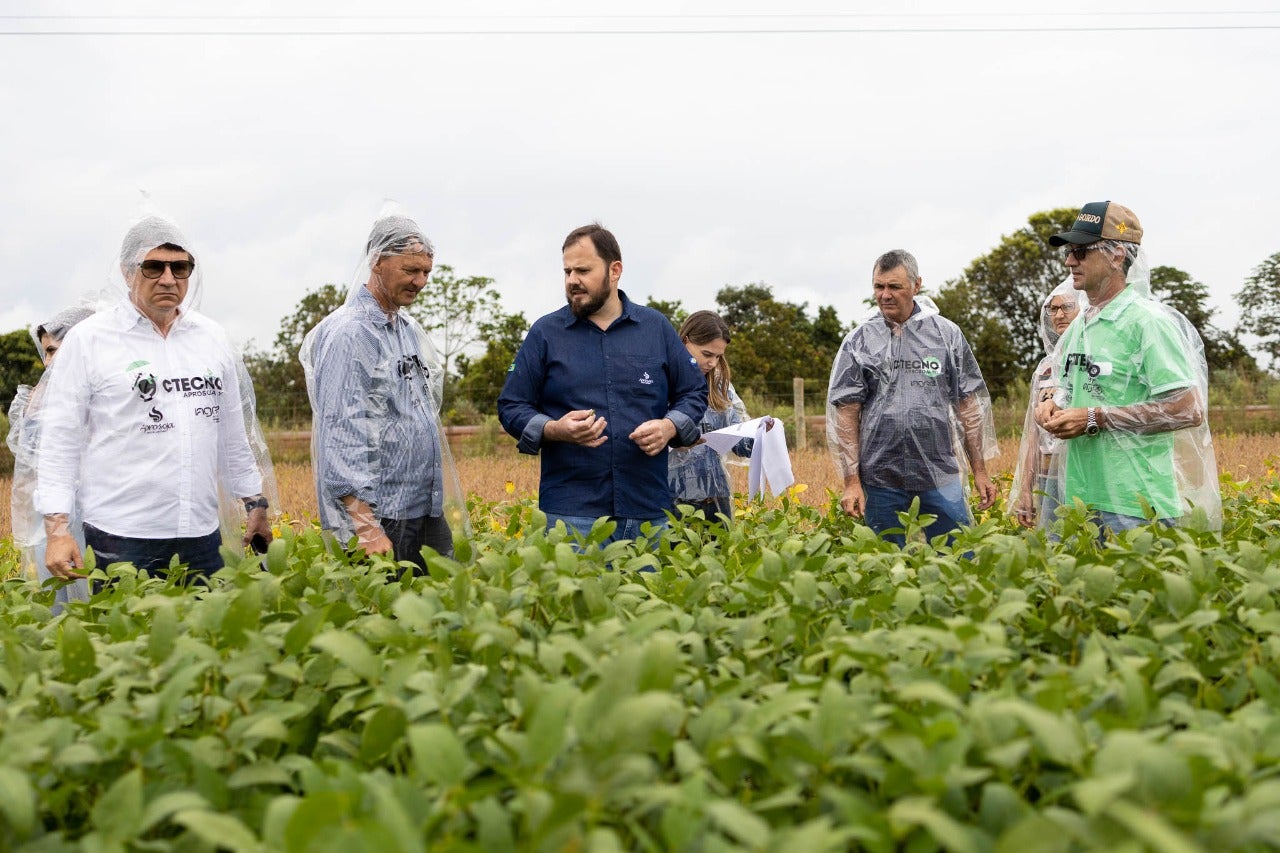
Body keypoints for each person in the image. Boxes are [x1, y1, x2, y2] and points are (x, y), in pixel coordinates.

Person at [37, 215, 274, 583]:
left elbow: (231, 436)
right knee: (128, 637)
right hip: (121, 537)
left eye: (180, 267)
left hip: (200, 534)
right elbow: (59, 441)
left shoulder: (211, 338)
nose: (168, 278)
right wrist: (57, 529)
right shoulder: (90, 341)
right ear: (128, 271)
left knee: (203, 636)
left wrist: (254, 503)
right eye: (154, 266)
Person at [497, 223, 707, 544]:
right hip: (571, 514)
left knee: (650, 595)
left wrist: (670, 427)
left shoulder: (655, 328)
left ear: (615, 270)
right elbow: (511, 405)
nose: (572, 280)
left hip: (647, 511)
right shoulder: (546, 333)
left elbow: (693, 392)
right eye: (567, 271)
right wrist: (555, 429)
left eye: (583, 270)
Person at [1036, 201, 1221, 535]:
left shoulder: (1147, 323)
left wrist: (1096, 417)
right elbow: (1070, 390)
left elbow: (1188, 409)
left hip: (1135, 505)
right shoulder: (1080, 326)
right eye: (1068, 252)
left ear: (1117, 255)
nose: (1069, 261)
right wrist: (1052, 406)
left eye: (1080, 251)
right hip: (1080, 500)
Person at [300, 212, 463, 572]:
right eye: (410, 270)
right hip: (381, 517)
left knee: (439, 610)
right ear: (377, 262)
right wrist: (365, 525)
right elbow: (342, 430)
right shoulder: (351, 333)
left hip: (421, 508)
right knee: (385, 618)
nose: (420, 282)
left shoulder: (405, 329)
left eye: (426, 272)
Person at [827, 249, 998, 546]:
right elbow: (846, 413)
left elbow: (968, 406)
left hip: (939, 474)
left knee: (957, 556)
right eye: (879, 287)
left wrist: (979, 471)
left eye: (895, 287)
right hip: (880, 478)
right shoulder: (859, 340)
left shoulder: (946, 335)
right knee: (884, 566)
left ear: (917, 285)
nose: (885, 295)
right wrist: (851, 481)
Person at [7, 305, 95, 610]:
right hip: (53, 522)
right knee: (58, 607)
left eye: (58, 350)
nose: (50, 362)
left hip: (99, 521)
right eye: (47, 352)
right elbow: (30, 463)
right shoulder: (40, 400)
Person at [1010, 280, 1086, 530]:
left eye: (1066, 307)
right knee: (1053, 547)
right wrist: (1025, 489)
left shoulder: (1091, 359)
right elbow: (1034, 433)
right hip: (1047, 477)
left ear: (1082, 308)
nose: (1059, 314)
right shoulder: (1045, 368)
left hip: (1085, 475)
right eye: (1053, 309)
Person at [667, 310, 754, 522]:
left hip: (716, 497)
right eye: (707, 354)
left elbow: (740, 445)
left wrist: (759, 433)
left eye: (718, 356)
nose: (713, 363)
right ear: (685, 342)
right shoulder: (663, 382)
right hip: (674, 498)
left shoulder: (720, 386)